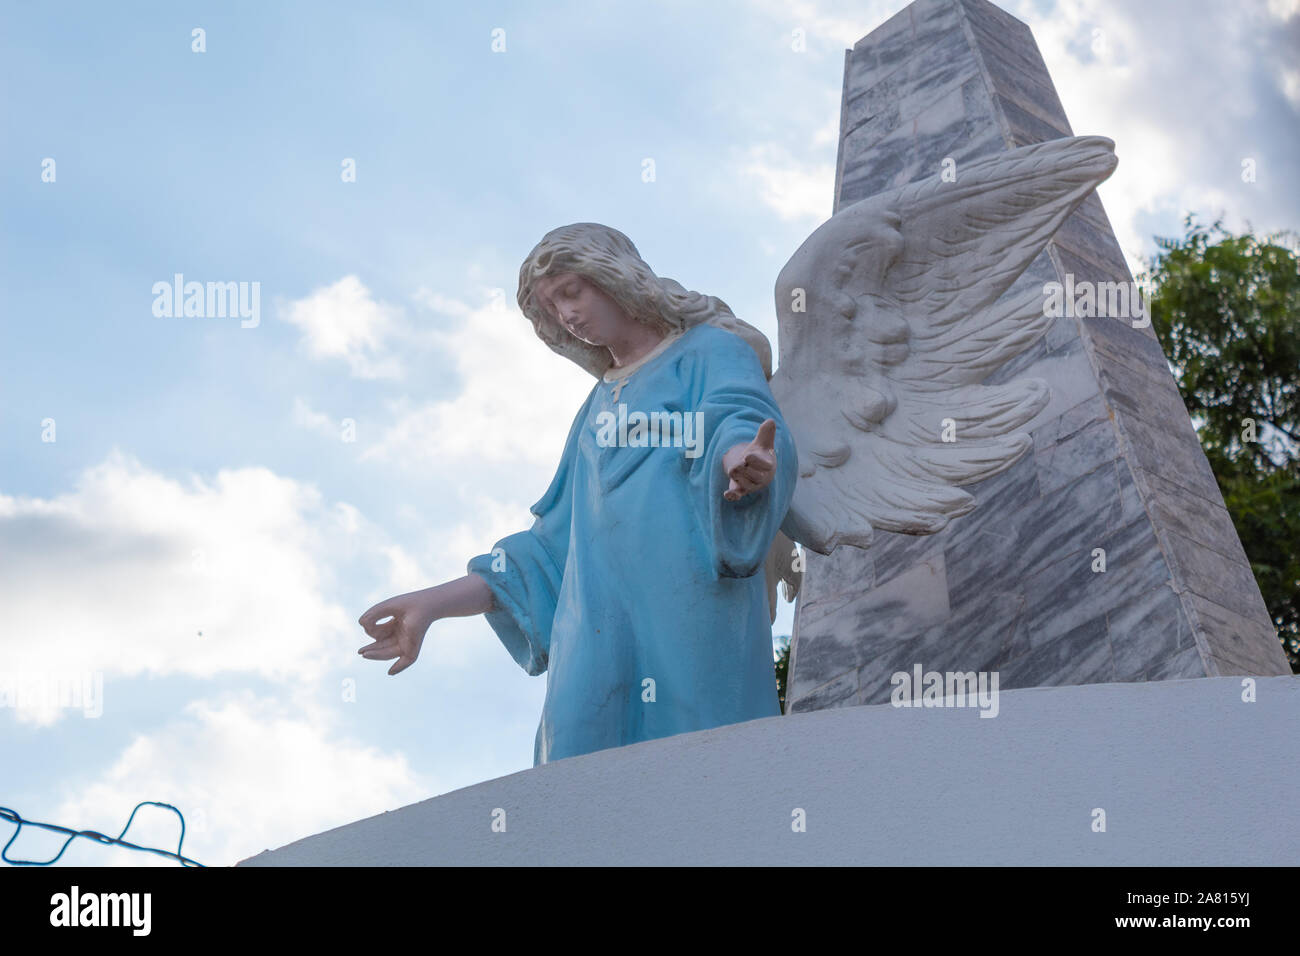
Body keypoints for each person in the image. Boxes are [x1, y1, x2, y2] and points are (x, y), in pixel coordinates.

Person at [357, 223, 797, 765]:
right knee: (573, 758)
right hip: (593, 619)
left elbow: (739, 418)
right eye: (552, 306)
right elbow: (547, 551)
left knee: (707, 762)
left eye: (572, 292)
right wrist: (434, 604)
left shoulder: (709, 351)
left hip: (691, 597)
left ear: (615, 278)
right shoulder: (597, 407)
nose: (567, 314)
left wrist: (741, 460)